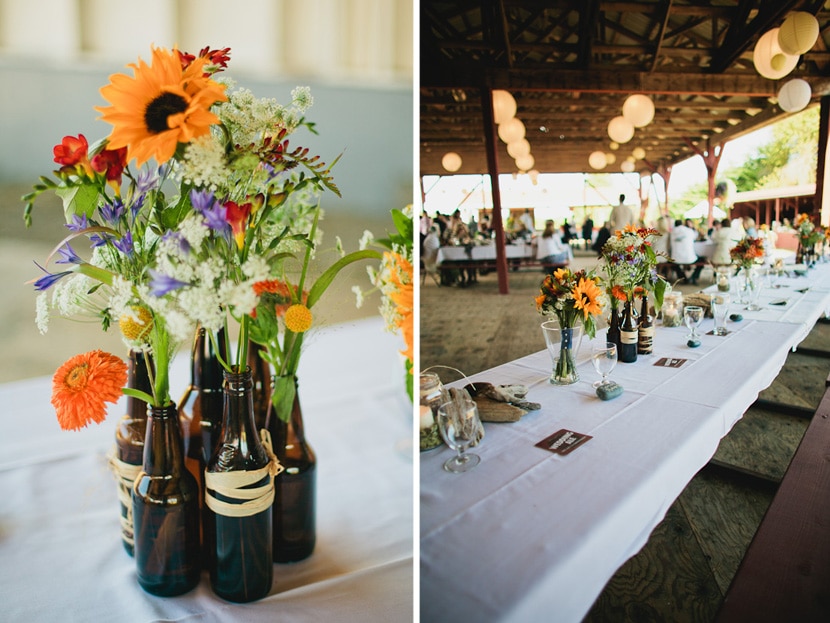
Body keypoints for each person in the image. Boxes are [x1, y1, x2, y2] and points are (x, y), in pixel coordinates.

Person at [669, 219, 704, 284]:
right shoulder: (689, 230)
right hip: (690, 258)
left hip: (676, 258)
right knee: (703, 261)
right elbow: (695, 238)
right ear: (682, 224)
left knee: (672, 263)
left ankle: (683, 278)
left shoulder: (672, 232)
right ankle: (693, 277)